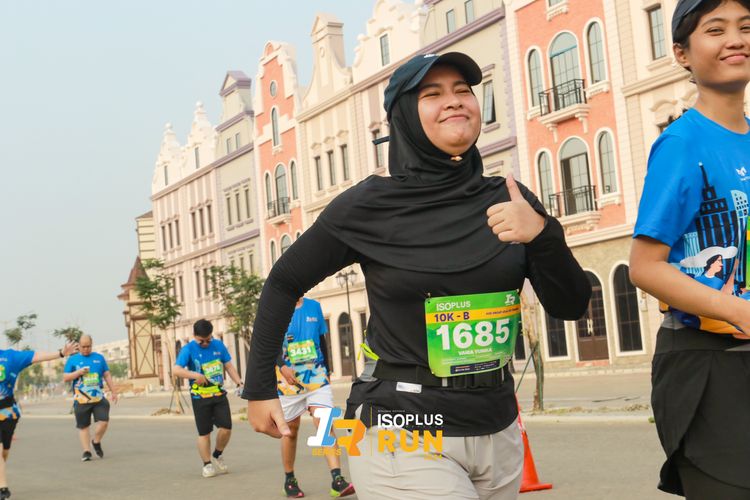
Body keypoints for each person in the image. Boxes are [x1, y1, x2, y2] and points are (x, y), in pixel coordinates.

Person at [243, 51, 590, 500]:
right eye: (433, 94)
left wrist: (543, 234)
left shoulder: (510, 199)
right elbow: (283, 282)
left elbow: (571, 305)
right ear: (404, 116)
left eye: (463, 90)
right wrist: (260, 387)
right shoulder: (369, 206)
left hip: (496, 426)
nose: (455, 100)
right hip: (400, 427)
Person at [630, 0, 750, 498]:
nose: (736, 39)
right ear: (682, 53)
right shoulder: (681, 143)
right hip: (707, 365)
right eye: (715, 30)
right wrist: (739, 310)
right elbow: (644, 267)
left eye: (746, 27)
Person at [275, 297, 354, 498]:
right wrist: (282, 366)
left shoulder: (314, 306)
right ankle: (289, 480)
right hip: (288, 380)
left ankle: (337, 479)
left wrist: (328, 369)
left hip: (317, 376)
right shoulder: (277, 307)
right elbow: (269, 344)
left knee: (325, 423)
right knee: (290, 430)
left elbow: (322, 341)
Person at [0, 342, 78, 499]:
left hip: (7, 412)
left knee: (4, 451)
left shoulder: (10, 356)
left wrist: (60, 353)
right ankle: (3, 488)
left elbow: (36, 356)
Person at [173, 319, 243, 478]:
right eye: (201, 341)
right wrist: (194, 375)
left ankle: (217, 454)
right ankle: (207, 464)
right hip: (200, 397)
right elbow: (176, 370)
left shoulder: (218, 345)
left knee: (226, 428)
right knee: (204, 433)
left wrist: (239, 382)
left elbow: (229, 366)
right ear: (194, 336)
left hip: (218, 394)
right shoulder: (188, 349)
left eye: (208, 340)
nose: (205, 343)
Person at [63, 334, 119, 461]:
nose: (86, 349)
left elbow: (107, 374)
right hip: (81, 399)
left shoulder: (99, 358)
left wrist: (114, 391)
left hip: (98, 397)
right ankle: (86, 451)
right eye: (83, 347)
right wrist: (78, 372)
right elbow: (65, 377)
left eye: (88, 346)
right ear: (79, 346)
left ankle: (96, 441)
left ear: (92, 345)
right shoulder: (73, 359)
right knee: (84, 426)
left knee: (104, 422)